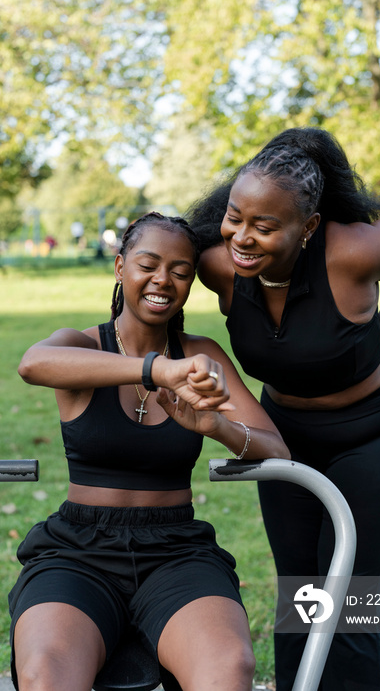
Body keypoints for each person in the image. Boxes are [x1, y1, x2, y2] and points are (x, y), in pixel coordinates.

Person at [185, 127, 380, 691]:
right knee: (301, 594)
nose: (243, 237)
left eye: (265, 226)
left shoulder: (355, 253)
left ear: (307, 227)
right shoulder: (217, 266)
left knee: (347, 600)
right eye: (236, 216)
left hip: (368, 435)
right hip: (284, 435)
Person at [9, 211, 291, 691]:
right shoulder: (83, 346)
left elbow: (276, 450)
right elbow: (33, 364)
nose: (164, 280)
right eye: (148, 264)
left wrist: (216, 425)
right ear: (120, 267)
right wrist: (156, 371)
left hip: (177, 551)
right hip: (78, 552)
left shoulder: (201, 353)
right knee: (46, 674)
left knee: (229, 668)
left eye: (181, 271)